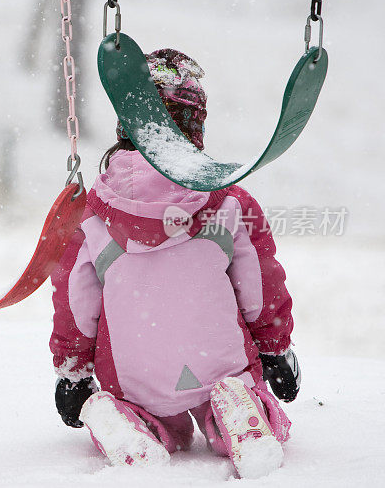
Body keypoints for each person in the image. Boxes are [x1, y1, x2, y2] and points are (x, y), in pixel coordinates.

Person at [50, 49, 301, 479]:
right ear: (196, 127)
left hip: (133, 370)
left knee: (139, 405)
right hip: (217, 358)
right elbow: (260, 287)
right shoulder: (230, 203)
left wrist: (72, 369)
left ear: (125, 125)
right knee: (235, 384)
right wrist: (276, 348)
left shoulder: (92, 213)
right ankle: (238, 410)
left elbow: (76, 301)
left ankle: (129, 421)